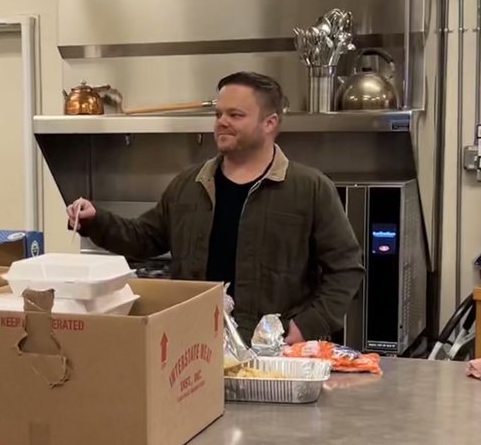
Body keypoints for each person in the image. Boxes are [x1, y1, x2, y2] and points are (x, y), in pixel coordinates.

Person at [66, 71, 364, 343]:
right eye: (219, 113)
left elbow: (346, 270)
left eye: (235, 114)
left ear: (270, 123)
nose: (222, 121)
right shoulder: (189, 184)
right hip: (194, 346)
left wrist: (303, 328)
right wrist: (96, 220)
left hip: (275, 353)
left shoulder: (310, 188)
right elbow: (143, 237)